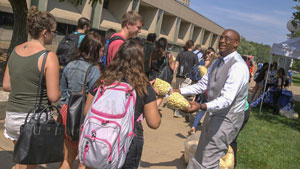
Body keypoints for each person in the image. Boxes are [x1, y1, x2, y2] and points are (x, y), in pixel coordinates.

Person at [173, 29, 249, 169]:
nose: (222, 41)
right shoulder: (216, 62)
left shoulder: (238, 67)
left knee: (209, 160)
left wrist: (201, 107)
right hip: (214, 112)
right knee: (202, 153)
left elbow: (227, 99)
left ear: (236, 43)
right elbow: (202, 85)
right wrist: (177, 91)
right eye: (221, 38)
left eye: (227, 39)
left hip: (228, 118)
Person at [84, 39, 161, 169]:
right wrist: (158, 98)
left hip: (99, 137)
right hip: (129, 142)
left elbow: (87, 111)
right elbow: (154, 123)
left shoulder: (103, 81)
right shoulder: (144, 87)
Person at [2, 6, 61, 169]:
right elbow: (54, 96)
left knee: (22, 162)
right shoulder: (49, 57)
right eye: (54, 31)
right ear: (45, 32)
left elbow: (6, 85)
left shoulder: (15, 50)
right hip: (33, 120)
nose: (54, 35)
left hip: (12, 117)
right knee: (29, 165)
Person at [58, 32, 105, 169]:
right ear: (94, 50)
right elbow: (95, 98)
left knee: (67, 159)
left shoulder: (70, 65)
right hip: (83, 119)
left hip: (66, 114)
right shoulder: (94, 70)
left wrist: (65, 109)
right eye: (102, 50)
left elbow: (63, 92)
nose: (103, 53)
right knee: (83, 161)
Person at [149, 37, 176, 107]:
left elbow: (149, 65)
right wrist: (173, 61)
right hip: (163, 78)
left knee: (150, 93)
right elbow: (172, 68)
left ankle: (148, 108)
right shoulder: (168, 55)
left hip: (152, 76)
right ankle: (153, 109)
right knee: (160, 96)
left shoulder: (153, 52)